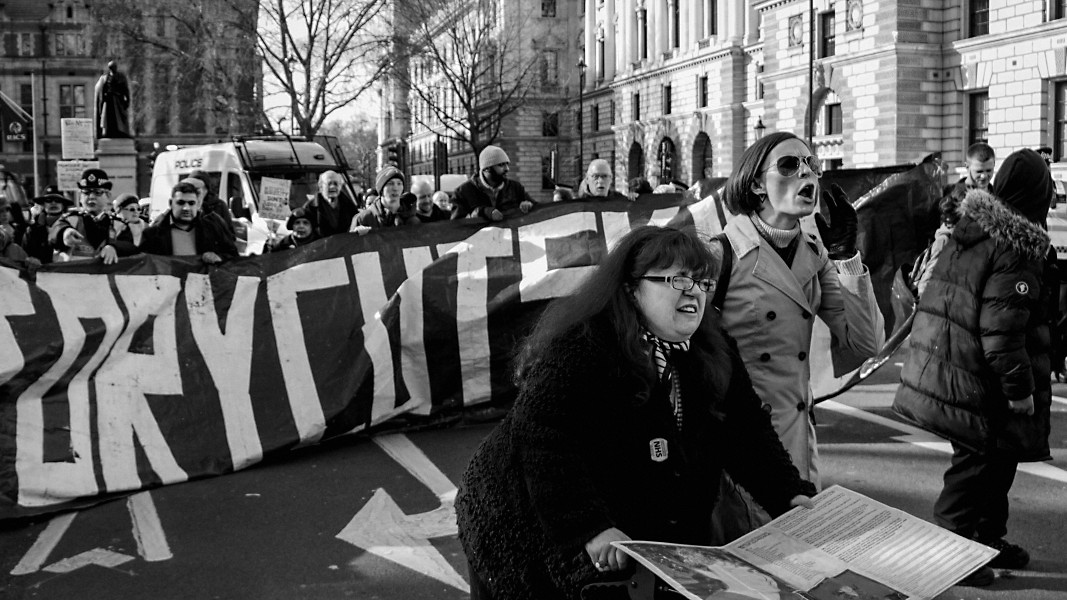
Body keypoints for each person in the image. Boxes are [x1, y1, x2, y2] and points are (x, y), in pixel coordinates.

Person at [456, 225, 816, 600]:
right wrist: (589, 529)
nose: (693, 290)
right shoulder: (582, 348)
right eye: (677, 279)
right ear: (631, 289)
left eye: (701, 281)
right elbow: (543, 440)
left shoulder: (712, 347)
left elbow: (745, 429)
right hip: (520, 514)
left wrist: (788, 494)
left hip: (631, 525)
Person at [893, 149, 1056, 587]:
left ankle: (986, 540)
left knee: (995, 462)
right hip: (977, 379)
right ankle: (953, 551)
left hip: (961, 369)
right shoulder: (1015, 247)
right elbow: (1001, 333)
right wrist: (1019, 389)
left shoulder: (979, 230)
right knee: (975, 469)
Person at [712, 131, 884, 539]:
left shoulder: (816, 251)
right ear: (756, 183)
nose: (806, 173)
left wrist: (847, 257)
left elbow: (866, 345)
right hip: (738, 449)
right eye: (789, 165)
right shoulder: (718, 253)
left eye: (813, 165)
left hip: (798, 443)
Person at [139, 181, 237, 264]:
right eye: (181, 203)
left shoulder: (213, 229)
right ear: (170, 203)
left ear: (198, 205)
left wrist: (219, 258)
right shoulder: (152, 235)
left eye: (191, 203)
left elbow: (234, 257)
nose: (186, 208)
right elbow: (142, 265)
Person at [51, 168, 136, 264]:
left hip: (105, 276)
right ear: (80, 197)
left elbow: (129, 246)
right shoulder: (71, 220)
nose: (91, 197)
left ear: (108, 196)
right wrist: (64, 232)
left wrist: (114, 247)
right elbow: (54, 232)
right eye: (86, 192)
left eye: (97, 192)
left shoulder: (118, 224)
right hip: (74, 276)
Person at [451, 145, 536, 221]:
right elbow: (457, 226)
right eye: (501, 165)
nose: (507, 169)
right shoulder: (462, 193)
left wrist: (529, 205)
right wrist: (481, 212)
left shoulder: (516, 188)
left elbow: (539, 211)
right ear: (486, 169)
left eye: (507, 164)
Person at [351, 166, 420, 233]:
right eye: (390, 184)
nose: (395, 188)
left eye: (399, 183)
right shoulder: (364, 218)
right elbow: (350, 243)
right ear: (381, 190)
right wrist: (358, 236)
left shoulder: (413, 215)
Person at [22, 186, 72, 264]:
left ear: (63, 205)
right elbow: (24, 255)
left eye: (57, 200)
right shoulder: (32, 230)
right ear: (43, 204)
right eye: (49, 200)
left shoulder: (73, 226)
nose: (53, 203)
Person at [303, 170, 360, 236]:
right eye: (329, 184)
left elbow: (357, 226)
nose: (332, 187)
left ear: (340, 186)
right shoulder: (310, 207)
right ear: (321, 186)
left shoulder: (349, 206)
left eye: (336, 183)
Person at [186, 169, 236, 239]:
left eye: (198, 188)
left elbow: (229, 234)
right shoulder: (182, 205)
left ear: (206, 189)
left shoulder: (219, 206)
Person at [94, 60, 131, 139]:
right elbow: (100, 90)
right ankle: (108, 132)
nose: (114, 69)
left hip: (118, 100)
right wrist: (102, 101)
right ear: (109, 68)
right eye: (112, 67)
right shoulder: (104, 78)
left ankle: (121, 131)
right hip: (108, 101)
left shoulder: (121, 77)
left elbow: (126, 89)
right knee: (108, 118)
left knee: (120, 118)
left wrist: (127, 100)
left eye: (114, 67)